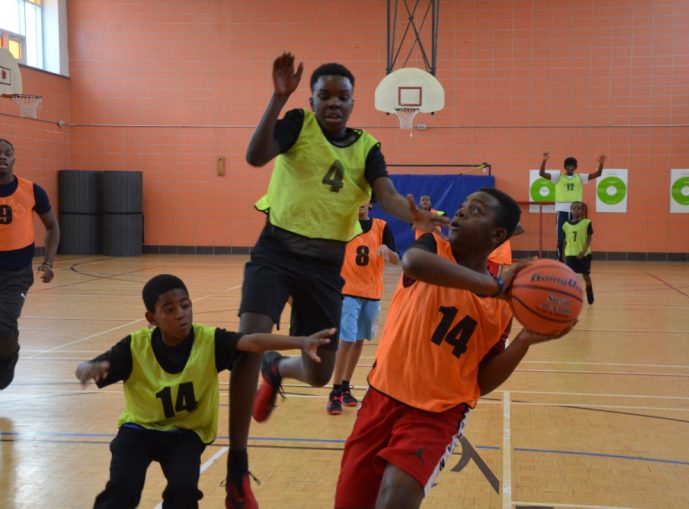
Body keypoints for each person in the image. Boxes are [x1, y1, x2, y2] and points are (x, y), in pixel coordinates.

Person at [227, 52, 447, 508]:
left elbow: (384, 193)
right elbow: (253, 156)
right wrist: (277, 96)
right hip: (275, 251)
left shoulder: (367, 147)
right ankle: (237, 468)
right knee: (250, 338)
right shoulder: (296, 124)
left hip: (326, 267)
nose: (333, 102)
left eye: (342, 96)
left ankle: (279, 368)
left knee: (319, 371)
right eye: (324, 95)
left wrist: (414, 214)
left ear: (353, 102)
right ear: (311, 98)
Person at [334, 188, 574, 509]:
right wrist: (492, 286)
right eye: (462, 207)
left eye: (475, 211)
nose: (460, 213)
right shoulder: (433, 248)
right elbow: (412, 262)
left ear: (498, 235)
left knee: (396, 496)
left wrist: (524, 340)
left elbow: (481, 382)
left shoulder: (502, 306)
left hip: (438, 415)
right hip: (381, 397)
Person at [75, 274, 334, 509]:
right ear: (151, 319)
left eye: (185, 306)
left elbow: (253, 341)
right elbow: (87, 366)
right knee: (122, 490)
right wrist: (87, 367)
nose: (181, 314)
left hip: (185, 435)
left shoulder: (209, 340)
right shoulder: (134, 346)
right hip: (138, 431)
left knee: (183, 491)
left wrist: (301, 341)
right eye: (170, 309)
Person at [0, 138, 59, 409]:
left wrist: (49, 262)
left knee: (0, 325)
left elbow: (52, 227)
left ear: (14, 160)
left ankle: (9, 355)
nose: (2, 157)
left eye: (8, 153)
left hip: (16, 272)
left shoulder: (33, 191)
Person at [326, 200, 398, 415]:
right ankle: (335, 391)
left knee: (358, 341)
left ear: (370, 203)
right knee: (347, 339)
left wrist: (388, 250)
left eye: (363, 197)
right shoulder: (345, 225)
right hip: (348, 292)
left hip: (372, 293)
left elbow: (395, 260)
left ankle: (346, 386)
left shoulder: (382, 227)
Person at [538, 152, 605, 261]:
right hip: (562, 211)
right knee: (561, 237)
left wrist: (601, 164)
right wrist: (544, 160)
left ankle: (575, 258)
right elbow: (542, 173)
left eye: (572, 165)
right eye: (568, 165)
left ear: (575, 167)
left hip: (576, 212)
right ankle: (560, 259)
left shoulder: (580, 177)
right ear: (565, 167)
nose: (570, 167)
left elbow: (597, 174)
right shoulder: (558, 177)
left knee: (577, 236)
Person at [562, 201, 594, 304]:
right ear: (571, 211)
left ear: (582, 211)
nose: (576, 210)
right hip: (570, 254)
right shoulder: (565, 225)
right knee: (569, 276)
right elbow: (565, 240)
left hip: (583, 254)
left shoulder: (587, 223)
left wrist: (584, 251)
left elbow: (589, 239)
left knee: (586, 276)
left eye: (578, 208)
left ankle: (589, 290)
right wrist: (563, 254)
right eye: (574, 208)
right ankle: (570, 296)